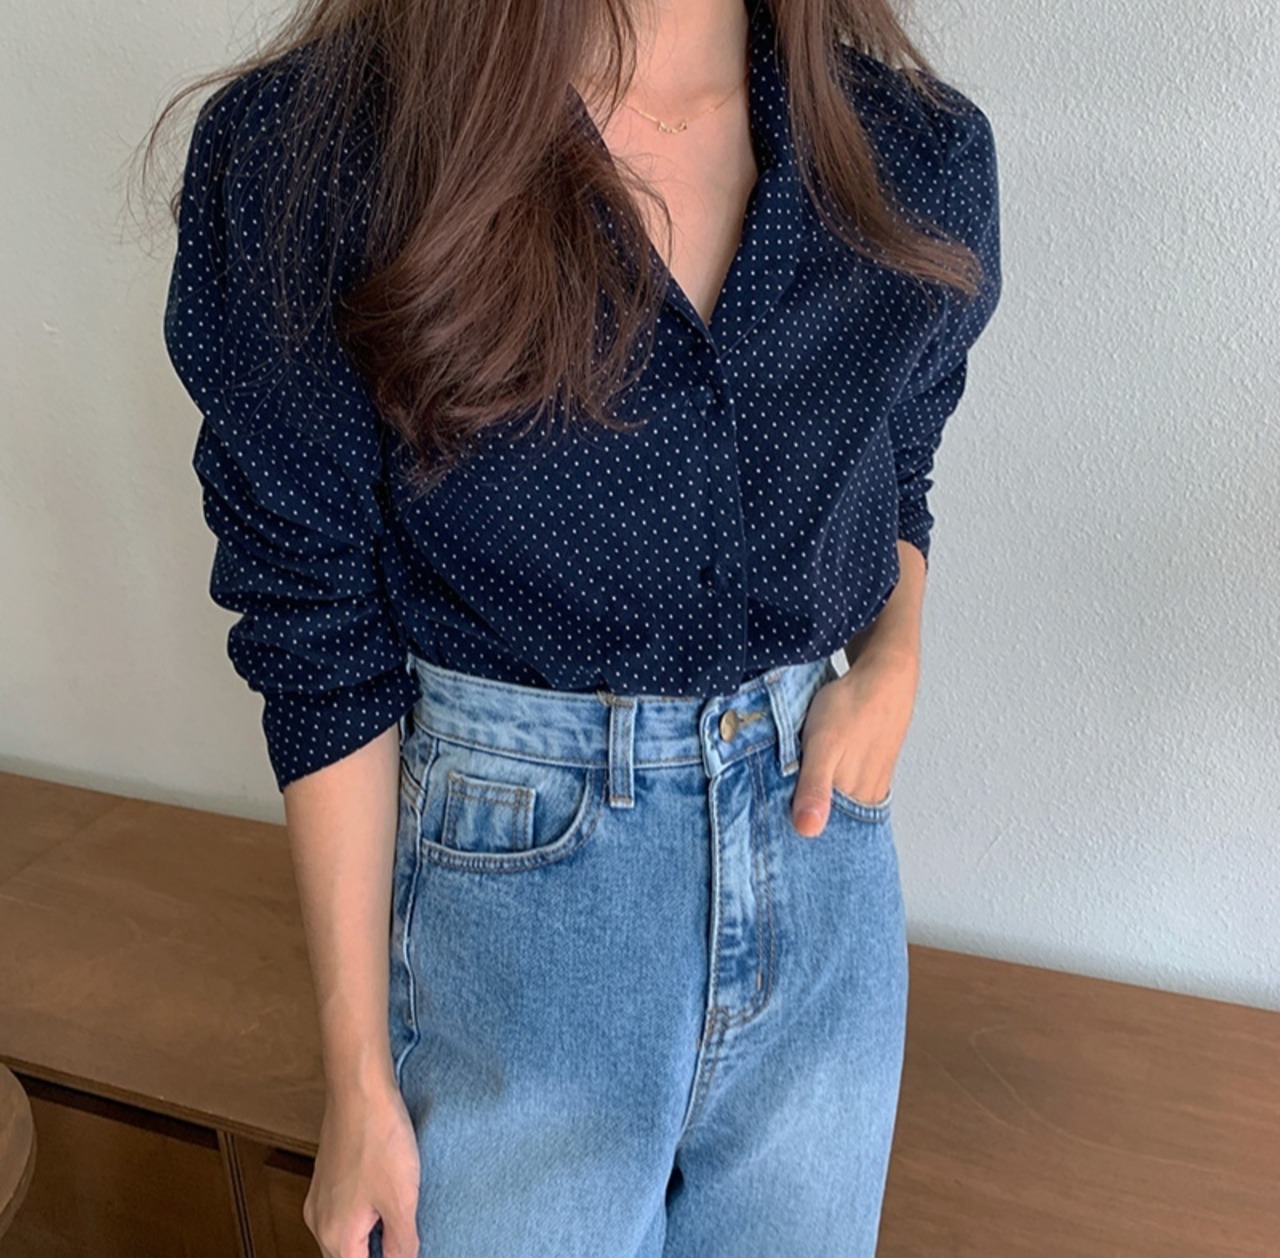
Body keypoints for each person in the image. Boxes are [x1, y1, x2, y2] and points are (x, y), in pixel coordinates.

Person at [158, 0, 1000, 1252]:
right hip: (520, 916)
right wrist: (357, 1075)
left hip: (822, 879)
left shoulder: (911, 151)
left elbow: (901, 450)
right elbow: (315, 629)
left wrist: (894, 656)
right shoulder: (322, 152)